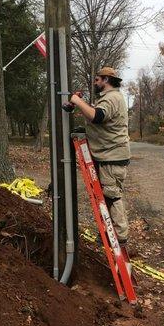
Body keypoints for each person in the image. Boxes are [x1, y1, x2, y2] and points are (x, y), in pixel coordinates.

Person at [70, 66, 130, 247]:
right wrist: (77, 105)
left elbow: (98, 117)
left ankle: (120, 237)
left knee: (112, 196)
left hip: (112, 156)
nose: (95, 82)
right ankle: (107, 232)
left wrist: (77, 101)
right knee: (105, 196)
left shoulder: (112, 98)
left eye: (97, 79)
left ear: (105, 80)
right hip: (106, 154)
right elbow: (99, 122)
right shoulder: (108, 98)